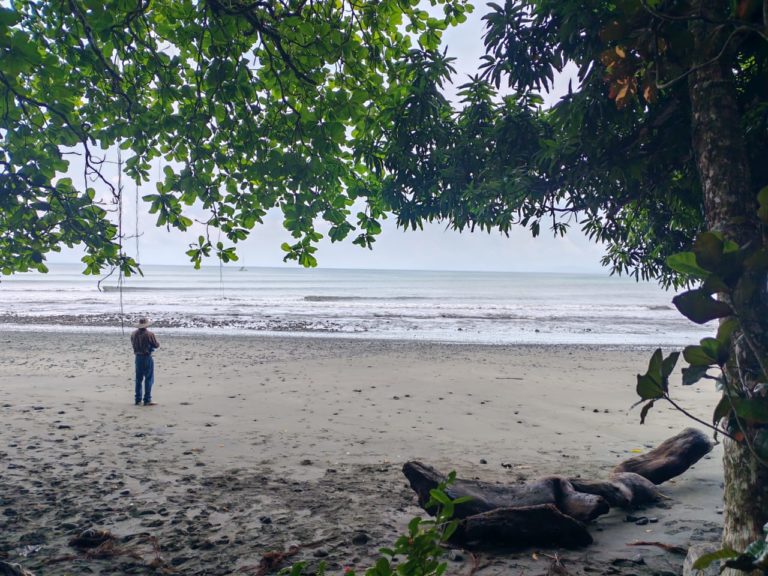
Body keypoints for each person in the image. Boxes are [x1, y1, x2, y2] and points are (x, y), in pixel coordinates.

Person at [131, 317, 160, 406]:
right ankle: (147, 399)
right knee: (149, 379)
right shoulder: (149, 334)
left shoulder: (133, 334)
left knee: (138, 379)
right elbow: (156, 345)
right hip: (147, 357)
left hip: (138, 357)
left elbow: (133, 344)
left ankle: (138, 399)